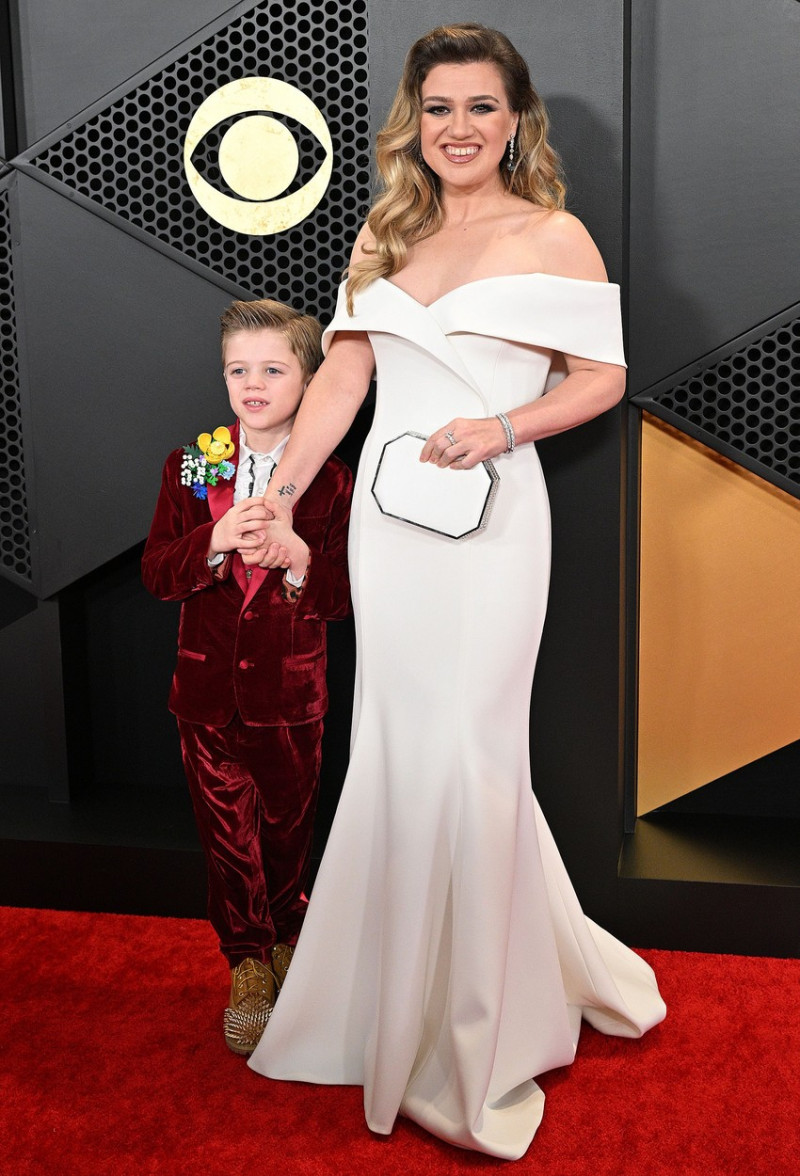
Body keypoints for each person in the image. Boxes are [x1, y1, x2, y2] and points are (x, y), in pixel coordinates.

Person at [247, 23, 666, 1160]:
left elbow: (604, 378)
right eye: (437, 109)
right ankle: (385, 1002)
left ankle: (477, 1034)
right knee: (397, 746)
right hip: (389, 528)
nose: (458, 129)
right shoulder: (388, 232)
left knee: (473, 754)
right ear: (412, 123)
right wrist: (279, 493)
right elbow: (343, 371)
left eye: (480, 107)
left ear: (515, 118)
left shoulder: (554, 234)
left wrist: (502, 425)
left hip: (491, 526)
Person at [141, 299, 352, 1056]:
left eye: (272, 368)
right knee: (226, 839)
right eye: (239, 369)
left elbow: (346, 596)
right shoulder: (190, 464)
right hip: (204, 697)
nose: (253, 384)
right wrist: (211, 540)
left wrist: (297, 558)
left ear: (310, 379)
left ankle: (294, 939)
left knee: (289, 833)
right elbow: (157, 574)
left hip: (290, 699)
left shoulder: (332, 481)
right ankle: (247, 963)